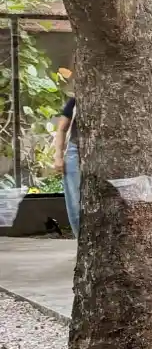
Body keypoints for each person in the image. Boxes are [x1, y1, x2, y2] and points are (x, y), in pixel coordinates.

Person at [50, 71, 76, 236]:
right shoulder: (74, 101)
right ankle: (81, 243)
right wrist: (58, 156)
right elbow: (61, 129)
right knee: (75, 202)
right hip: (76, 151)